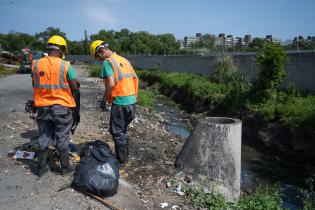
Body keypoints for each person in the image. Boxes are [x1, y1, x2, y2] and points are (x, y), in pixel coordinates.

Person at [31, 35, 79, 176]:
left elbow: (34, 84)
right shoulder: (65, 65)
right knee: (62, 137)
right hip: (61, 108)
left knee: (44, 136)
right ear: (62, 49)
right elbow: (75, 87)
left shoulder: (36, 64)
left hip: (43, 107)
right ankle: (65, 168)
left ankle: (41, 167)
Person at [90, 40, 138, 164]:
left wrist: (104, 100)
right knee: (123, 130)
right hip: (132, 101)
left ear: (100, 51)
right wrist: (134, 97)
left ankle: (122, 161)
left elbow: (110, 84)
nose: (99, 60)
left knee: (116, 131)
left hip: (120, 102)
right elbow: (135, 78)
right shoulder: (124, 60)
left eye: (97, 57)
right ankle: (125, 155)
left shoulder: (108, 62)